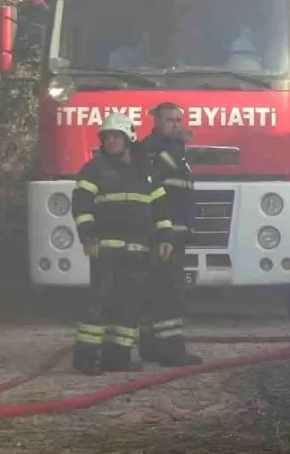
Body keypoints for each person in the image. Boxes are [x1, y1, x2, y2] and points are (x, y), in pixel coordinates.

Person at [71, 112, 174, 374]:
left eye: (116, 136)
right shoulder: (94, 169)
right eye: (107, 137)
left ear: (129, 138)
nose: (111, 141)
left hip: (138, 251)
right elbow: (81, 206)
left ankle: (118, 358)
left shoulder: (146, 171)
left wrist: (165, 237)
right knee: (100, 303)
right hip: (105, 249)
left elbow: (161, 207)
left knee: (130, 305)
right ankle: (86, 358)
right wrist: (88, 236)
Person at [137, 103, 203, 367]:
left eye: (178, 120)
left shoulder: (174, 153)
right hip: (161, 236)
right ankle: (171, 350)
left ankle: (151, 348)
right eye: (169, 120)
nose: (175, 125)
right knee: (169, 292)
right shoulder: (153, 151)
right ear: (156, 122)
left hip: (172, 235)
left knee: (157, 291)